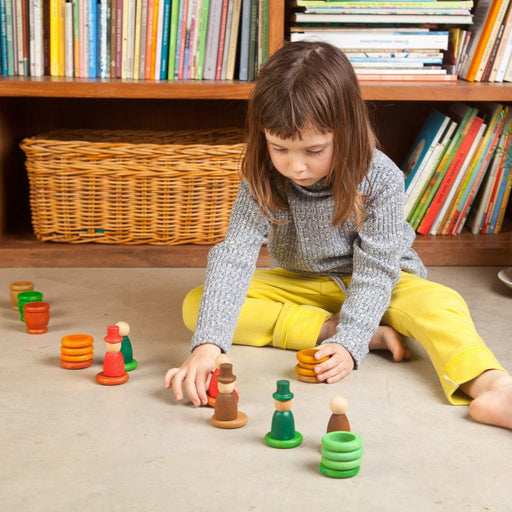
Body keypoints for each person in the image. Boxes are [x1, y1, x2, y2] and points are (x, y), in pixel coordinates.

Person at [165, 41, 512, 429]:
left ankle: (492, 385)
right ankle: (335, 329)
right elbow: (236, 253)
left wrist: (350, 343)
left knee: (441, 305)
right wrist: (209, 346)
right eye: (280, 147)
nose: (295, 166)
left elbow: (378, 269)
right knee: (197, 306)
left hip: (380, 283)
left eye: (314, 150)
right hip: (300, 282)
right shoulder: (261, 173)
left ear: (344, 131)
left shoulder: (380, 177)